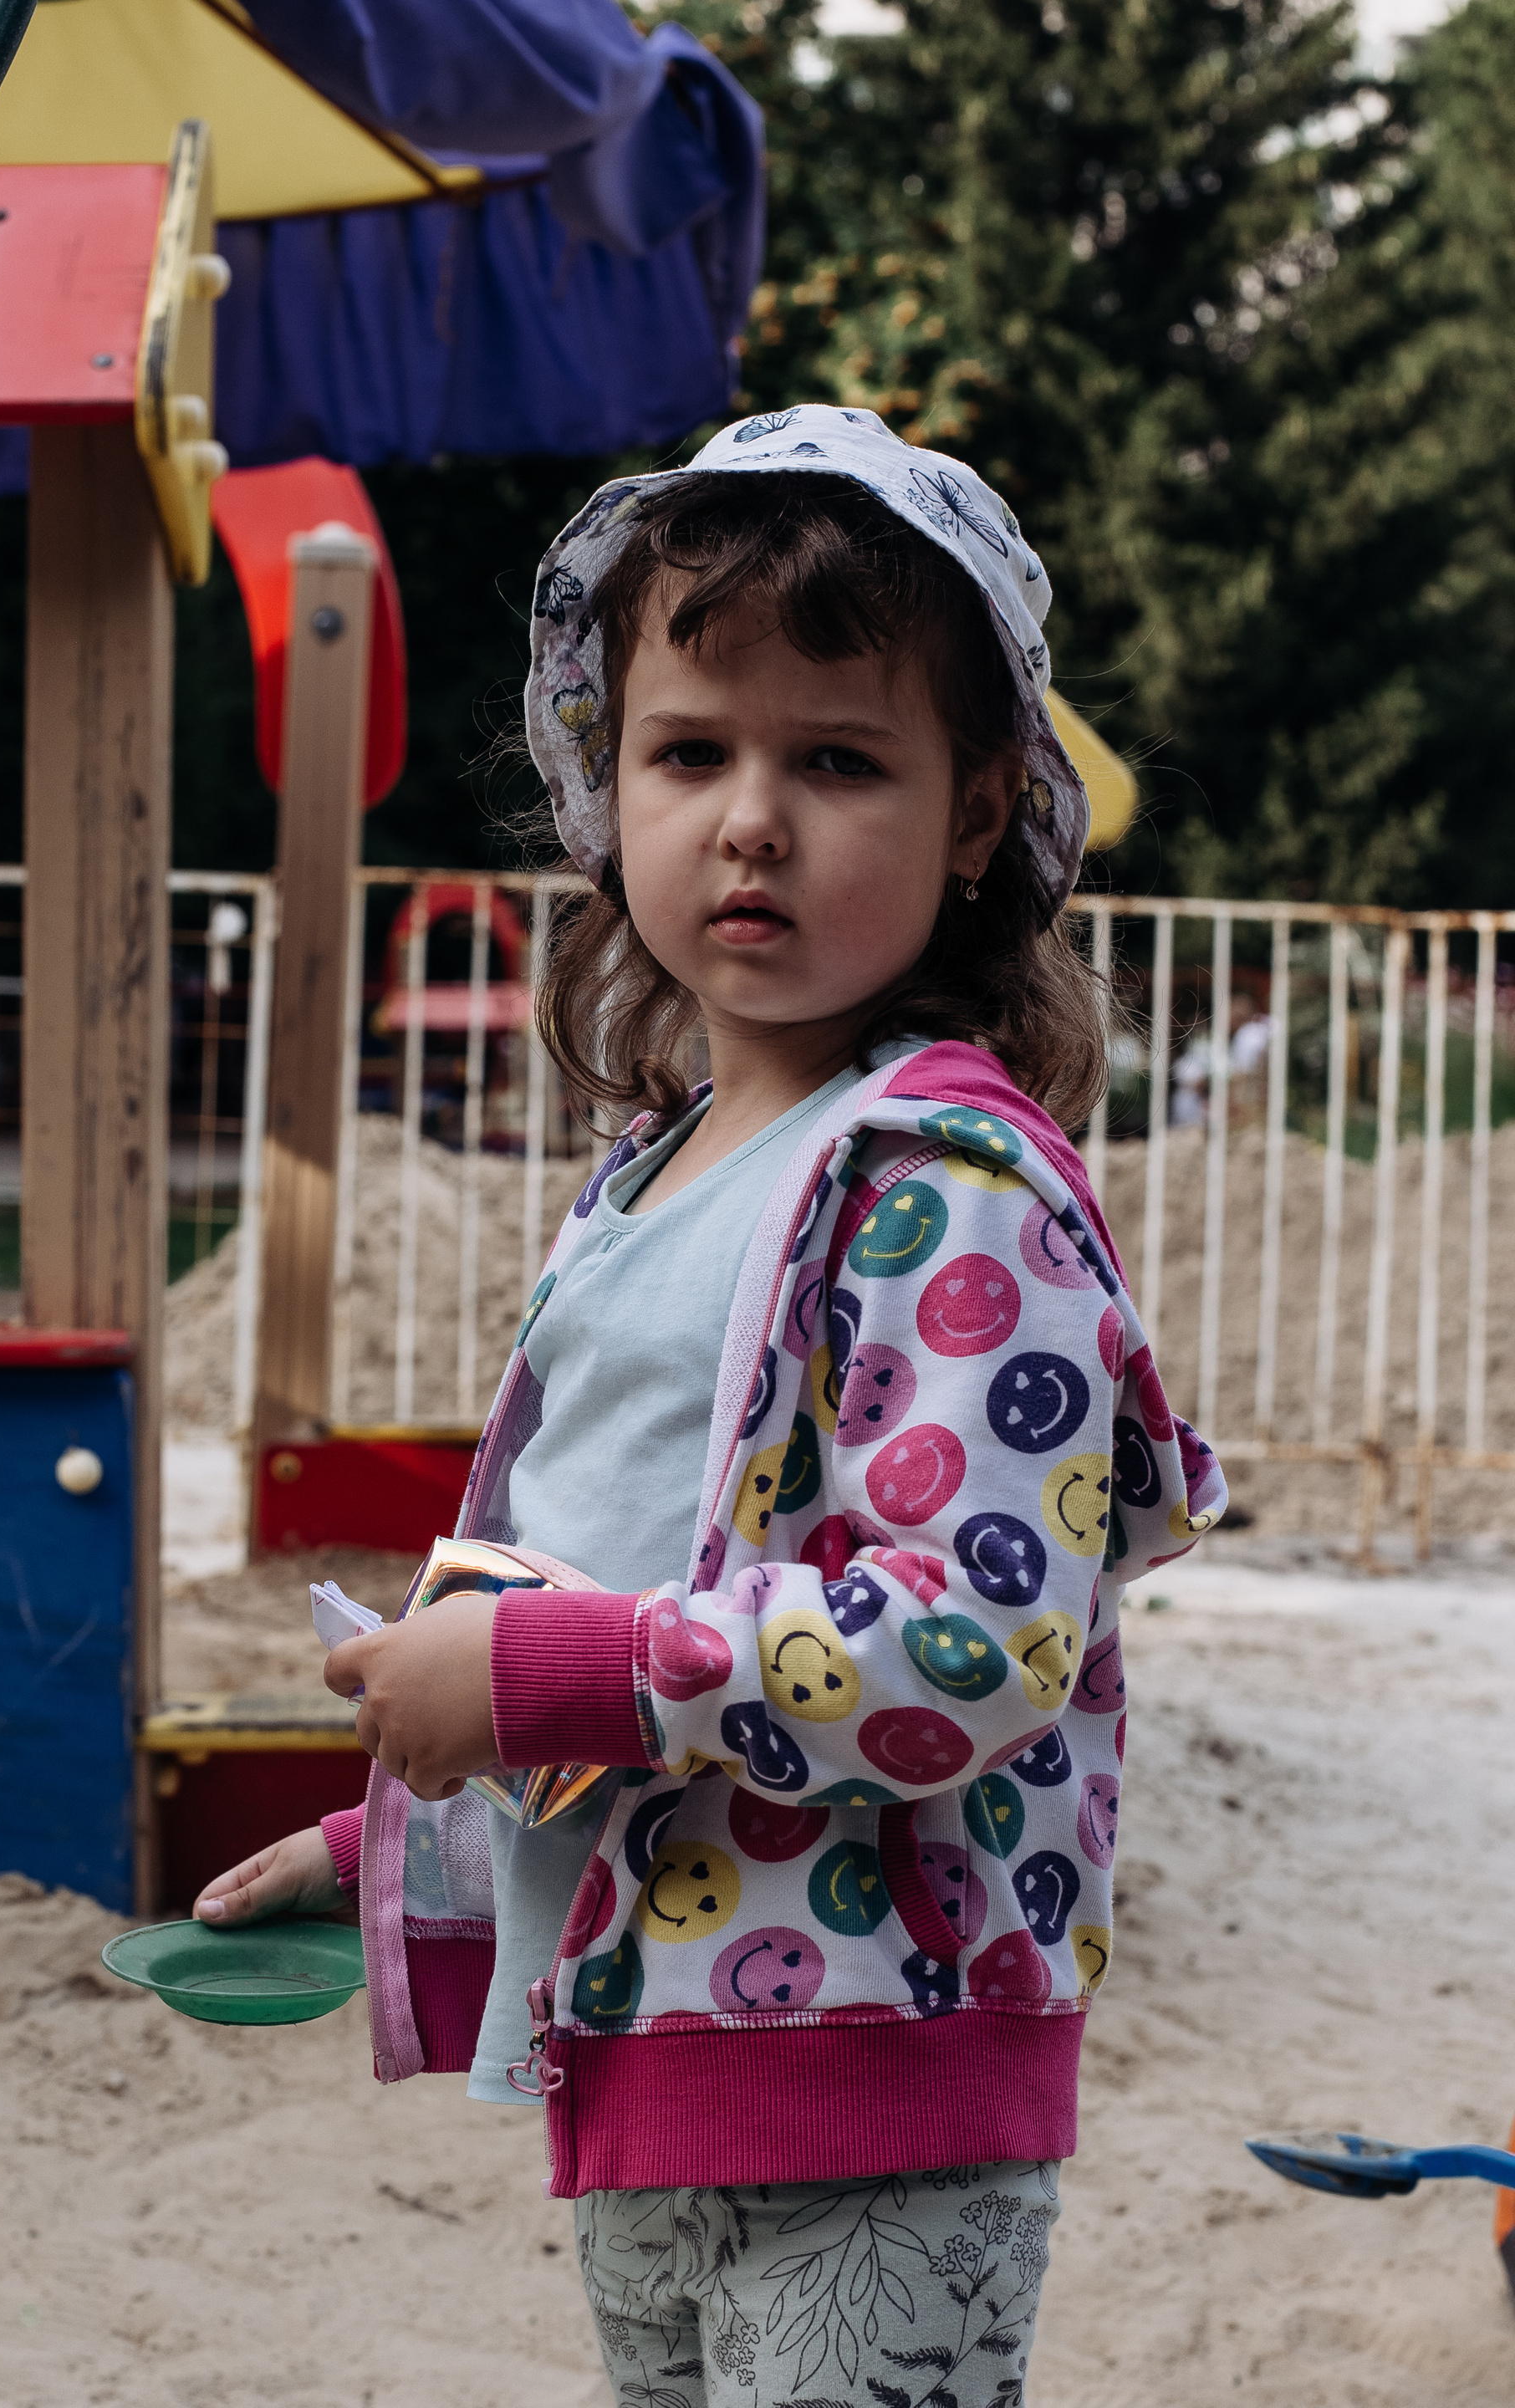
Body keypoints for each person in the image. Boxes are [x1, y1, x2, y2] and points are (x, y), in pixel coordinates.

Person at [196, 406, 1226, 2405]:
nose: (751, 819)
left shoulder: (946, 1193)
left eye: (838, 761)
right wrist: (404, 1824)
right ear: (608, 786)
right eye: (690, 754)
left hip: (876, 2069)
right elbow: (623, 1597)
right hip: (654, 2035)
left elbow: (971, 1642)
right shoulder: (653, 1175)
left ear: (977, 813)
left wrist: (537, 1678)